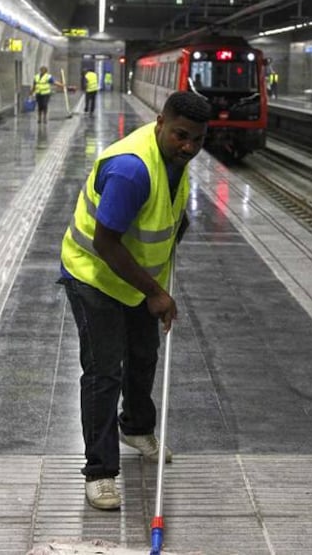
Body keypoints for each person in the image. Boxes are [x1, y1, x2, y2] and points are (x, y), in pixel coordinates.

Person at [58, 91, 211, 511]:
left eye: (198, 139)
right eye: (181, 135)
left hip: (136, 281)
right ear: (160, 122)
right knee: (104, 372)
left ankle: (137, 428)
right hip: (94, 276)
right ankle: (101, 472)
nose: (189, 147)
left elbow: (167, 214)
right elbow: (105, 242)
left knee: (144, 354)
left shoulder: (176, 161)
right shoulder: (131, 170)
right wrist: (157, 293)